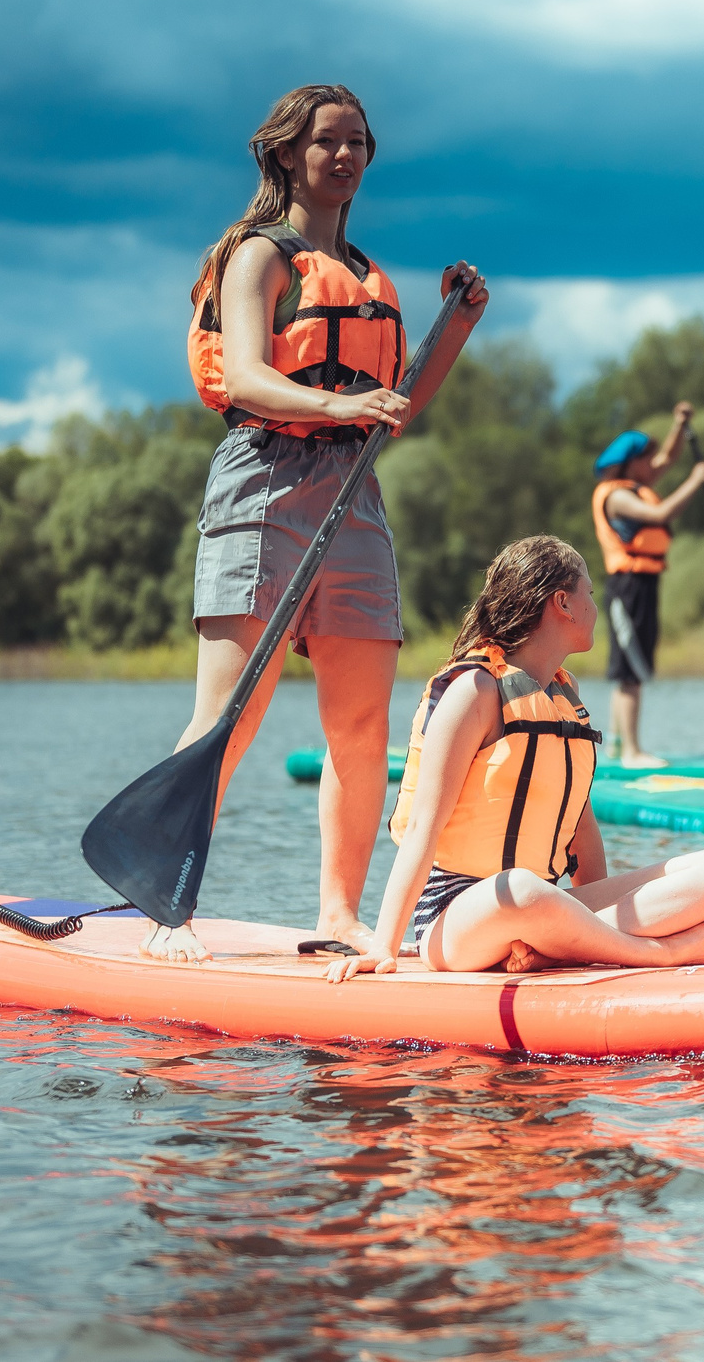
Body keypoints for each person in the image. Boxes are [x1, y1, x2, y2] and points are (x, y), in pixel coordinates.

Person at [169, 83, 487, 964]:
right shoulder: (258, 259)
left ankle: (339, 915)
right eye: (326, 143)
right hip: (264, 480)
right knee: (229, 714)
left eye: (358, 143)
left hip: (353, 490)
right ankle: (169, 907)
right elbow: (244, 379)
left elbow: (396, 409)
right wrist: (334, 405)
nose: (344, 157)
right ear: (286, 155)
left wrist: (454, 326)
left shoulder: (371, 275)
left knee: (360, 724)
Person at [341, 535, 704, 979]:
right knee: (520, 889)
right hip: (457, 916)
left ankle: (564, 949)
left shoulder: (563, 695)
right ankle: (661, 953)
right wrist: (384, 945)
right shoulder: (474, 692)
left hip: (544, 908)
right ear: (563, 603)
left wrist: (588, 921)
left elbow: (581, 827)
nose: (595, 606)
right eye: (589, 593)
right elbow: (423, 826)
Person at [588, 407, 704, 767]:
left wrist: (679, 425)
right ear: (630, 463)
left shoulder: (636, 485)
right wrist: (696, 480)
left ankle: (615, 744)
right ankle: (632, 751)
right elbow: (660, 516)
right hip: (628, 586)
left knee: (630, 665)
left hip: (643, 582)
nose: (653, 464)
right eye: (646, 458)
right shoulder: (617, 495)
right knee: (630, 669)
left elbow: (669, 457)